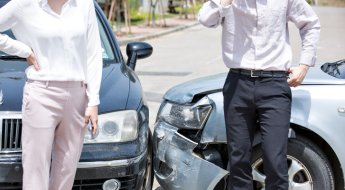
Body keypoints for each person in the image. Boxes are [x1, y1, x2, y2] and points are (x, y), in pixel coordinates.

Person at [199, 0, 320, 189]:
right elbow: (206, 19)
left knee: (275, 159)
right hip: (238, 83)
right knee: (238, 160)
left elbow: (310, 23)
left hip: (274, 85)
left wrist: (304, 65)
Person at [0, 0, 102, 189]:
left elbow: (93, 53)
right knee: (35, 169)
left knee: (66, 170)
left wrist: (93, 100)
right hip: (41, 93)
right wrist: (23, 51)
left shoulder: (84, 4)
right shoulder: (24, 4)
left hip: (78, 95)